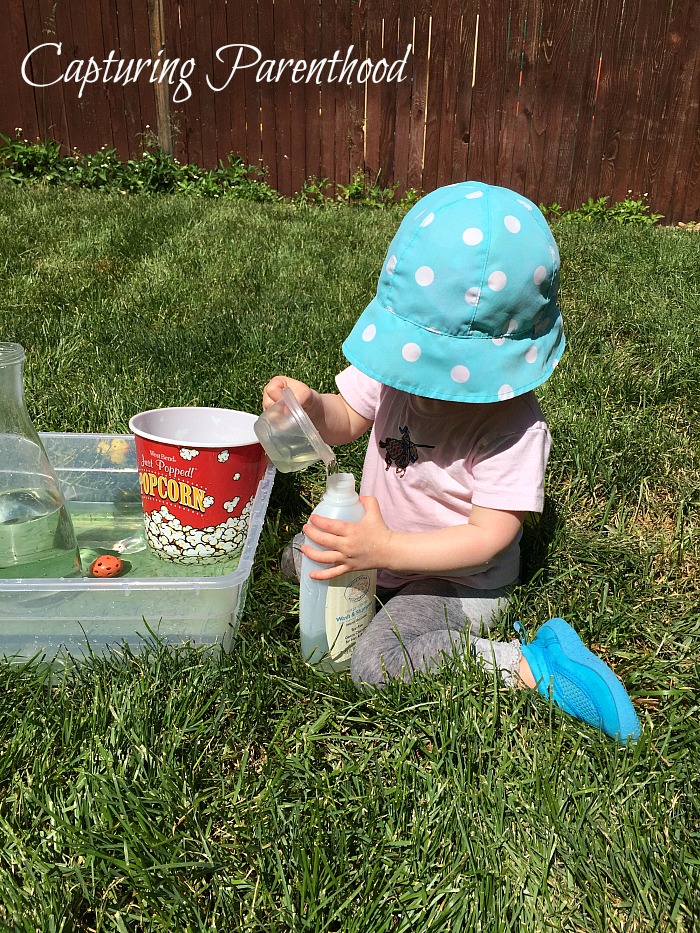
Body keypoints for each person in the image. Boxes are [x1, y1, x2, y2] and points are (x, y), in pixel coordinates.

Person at [262, 181, 640, 744]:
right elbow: (347, 417)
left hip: (457, 583)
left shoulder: (513, 426)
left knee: (378, 663)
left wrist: (385, 549)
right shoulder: (397, 366)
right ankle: (373, 572)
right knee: (295, 561)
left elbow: (487, 539)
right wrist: (313, 407)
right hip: (384, 553)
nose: (422, 384)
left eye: (443, 370)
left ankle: (529, 662)